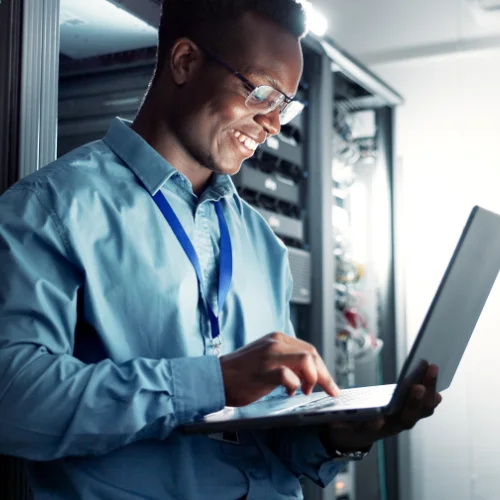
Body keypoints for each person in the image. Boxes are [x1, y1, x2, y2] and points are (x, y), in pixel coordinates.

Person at [0, 0, 441, 498]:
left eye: (285, 105)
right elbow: (13, 402)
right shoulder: (52, 209)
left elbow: (267, 433)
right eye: (262, 93)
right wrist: (210, 381)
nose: (273, 123)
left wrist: (341, 433)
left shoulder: (260, 243)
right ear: (185, 62)